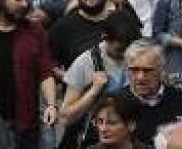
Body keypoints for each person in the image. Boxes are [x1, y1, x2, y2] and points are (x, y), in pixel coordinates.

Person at [0, 0, 58, 145]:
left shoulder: (35, 32)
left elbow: (45, 72)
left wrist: (51, 105)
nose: (25, 4)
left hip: (25, 126)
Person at [60, 13, 143, 149]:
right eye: (120, 49)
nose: (126, 54)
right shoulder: (85, 63)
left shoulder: (138, 56)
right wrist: (93, 91)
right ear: (105, 38)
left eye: (130, 48)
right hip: (95, 140)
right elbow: (66, 118)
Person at [120, 40, 182, 143]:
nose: (140, 77)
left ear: (161, 70)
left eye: (147, 70)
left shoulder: (179, 100)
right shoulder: (116, 102)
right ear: (127, 70)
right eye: (134, 70)